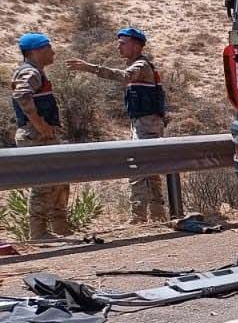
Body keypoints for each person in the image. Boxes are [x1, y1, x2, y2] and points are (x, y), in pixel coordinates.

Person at [64, 27, 169, 222]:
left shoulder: (140, 66)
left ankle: (138, 217)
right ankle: (157, 216)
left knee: (137, 169)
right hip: (145, 124)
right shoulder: (141, 65)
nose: (118, 47)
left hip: (146, 126)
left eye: (123, 43)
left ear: (137, 46)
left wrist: (91, 68)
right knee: (151, 172)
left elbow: (123, 76)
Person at [11, 32, 71, 239]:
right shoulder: (30, 72)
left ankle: (60, 229)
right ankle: (38, 234)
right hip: (35, 136)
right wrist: (39, 124)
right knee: (43, 184)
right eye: (48, 48)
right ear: (36, 51)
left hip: (42, 136)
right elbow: (21, 94)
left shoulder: (36, 72)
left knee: (58, 183)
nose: (53, 52)